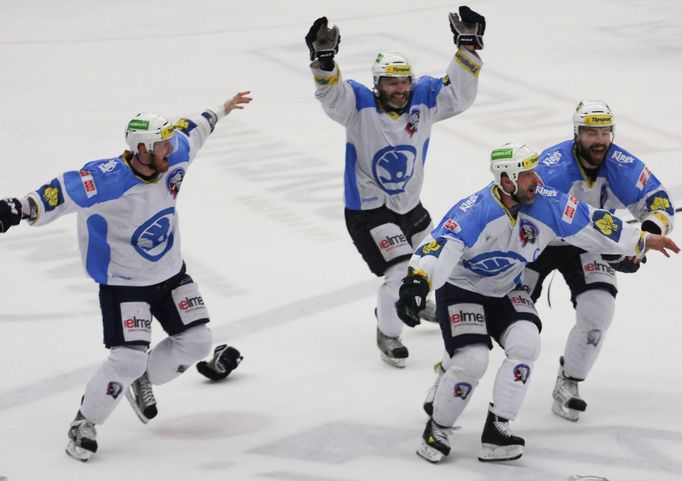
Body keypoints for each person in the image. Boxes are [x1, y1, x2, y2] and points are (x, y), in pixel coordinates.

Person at [0, 90, 252, 461]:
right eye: (162, 145)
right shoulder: (105, 179)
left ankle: (141, 379)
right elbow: (58, 192)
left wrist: (221, 109)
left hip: (170, 273)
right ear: (143, 150)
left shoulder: (175, 154)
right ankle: (84, 422)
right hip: (124, 284)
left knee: (199, 341)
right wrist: (16, 209)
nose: (171, 149)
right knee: (127, 360)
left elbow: (193, 128)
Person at [396, 143, 678, 463]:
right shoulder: (473, 211)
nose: (537, 179)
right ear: (506, 181)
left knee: (527, 344)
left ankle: (497, 429)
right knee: (473, 360)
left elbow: (592, 222)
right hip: (464, 291)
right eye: (527, 174)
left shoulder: (547, 202)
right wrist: (417, 280)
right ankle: (438, 429)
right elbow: (439, 246)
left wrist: (641, 240)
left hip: (506, 288)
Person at [305, 6, 486, 367]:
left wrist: (466, 47)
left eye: (404, 81)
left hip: (411, 207)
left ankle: (417, 299)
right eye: (391, 82)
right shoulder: (357, 102)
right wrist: (324, 61)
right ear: (377, 84)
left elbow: (460, 97)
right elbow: (331, 96)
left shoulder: (424, 98)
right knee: (399, 272)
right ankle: (388, 332)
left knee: (441, 262)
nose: (400, 88)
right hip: (368, 212)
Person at [524, 100, 676, 422]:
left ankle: (569, 382)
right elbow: (525, 211)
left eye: (605, 131)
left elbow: (659, 203)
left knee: (598, 311)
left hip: (589, 242)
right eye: (591, 132)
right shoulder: (552, 167)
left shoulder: (622, 164)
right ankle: (452, 368)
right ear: (576, 134)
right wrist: (619, 244)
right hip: (540, 238)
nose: (599, 140)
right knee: (501, 307)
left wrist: (641, 241)